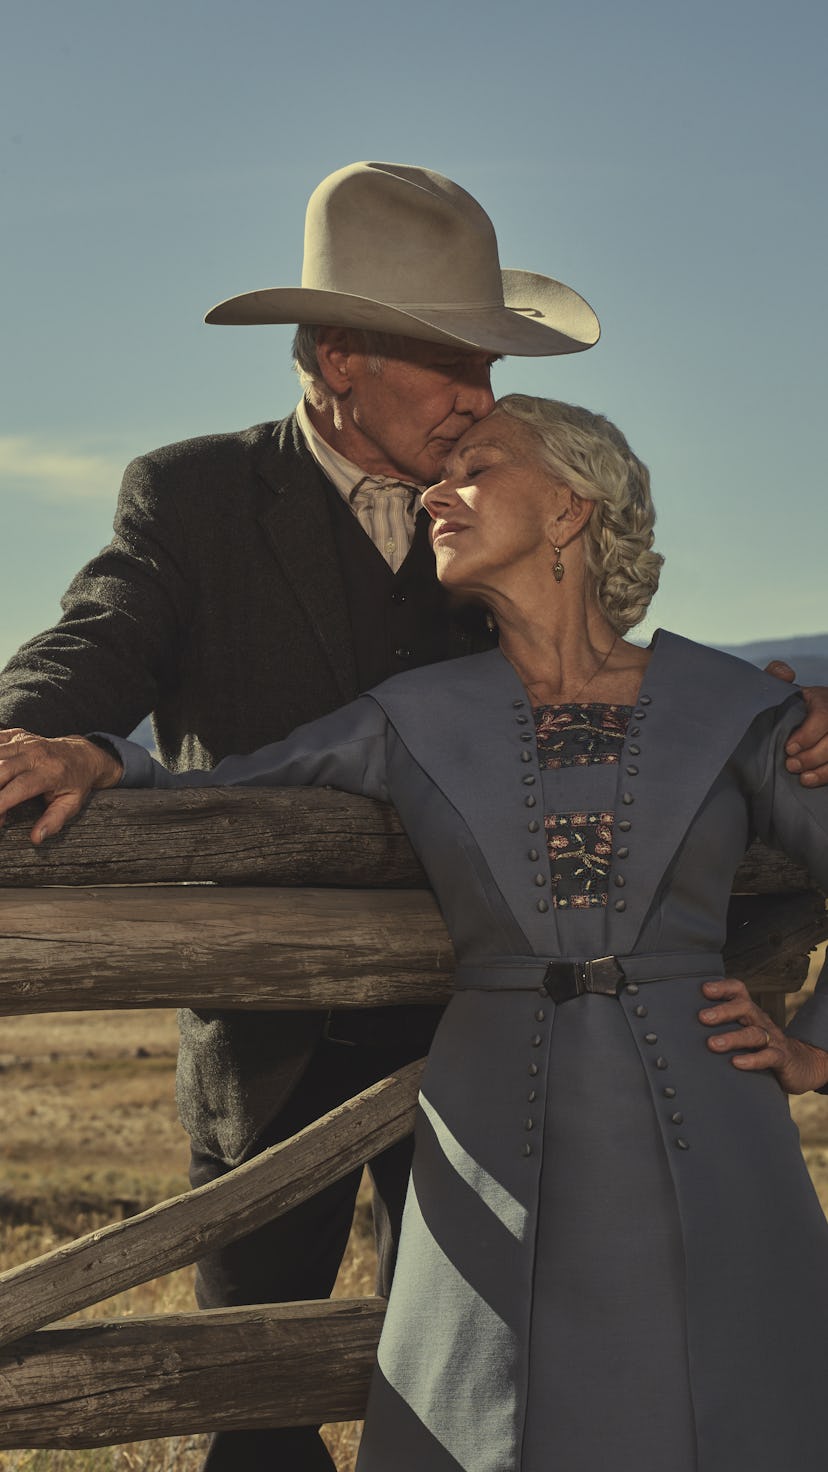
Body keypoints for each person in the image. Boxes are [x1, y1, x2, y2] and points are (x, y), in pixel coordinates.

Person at [2, 394, 828, 1472]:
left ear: (573, 509)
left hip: (712, 1118)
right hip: (491, 1122)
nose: (437, 490)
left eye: (477, 469)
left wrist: (815, 1046)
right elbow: (231, 788)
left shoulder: (741, 708)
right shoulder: (409, 714)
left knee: (727, 1406)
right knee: (483, 1413)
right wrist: (99, 757)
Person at [0, 160, 607, 1472]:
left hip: (479, 1030)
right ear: (339, 357)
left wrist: (755, 718)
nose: (481, 399)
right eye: (451, 364)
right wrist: (38, 728)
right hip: (262, 1042)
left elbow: (603, 686)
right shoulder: (194, 497)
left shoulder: (509, 512)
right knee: (257, 1392)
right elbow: (104, 634)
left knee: (481, 1379)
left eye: (489, 368)